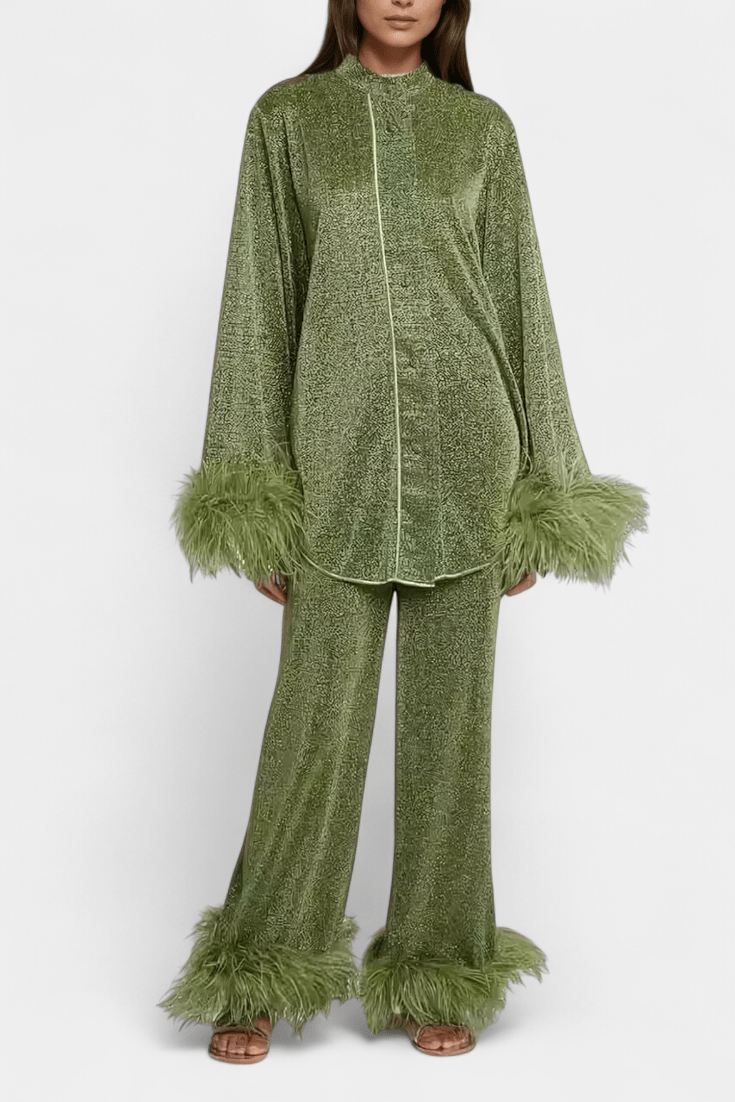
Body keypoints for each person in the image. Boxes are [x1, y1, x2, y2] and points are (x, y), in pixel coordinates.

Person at [158, 0, 649, 1062]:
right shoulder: (287, 121)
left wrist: (541, 491)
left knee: (450, 739)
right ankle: (260, 966)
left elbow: (521, 305)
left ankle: (439, 967)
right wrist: (256, 493)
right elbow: (257, 307)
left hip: (470, 462)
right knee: (312, 732)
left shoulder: (482, 132)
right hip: (334, 470)